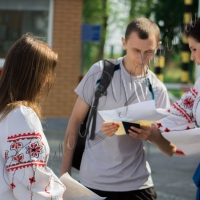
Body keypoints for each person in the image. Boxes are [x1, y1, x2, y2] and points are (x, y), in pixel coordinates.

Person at [60, 18, 176, 200]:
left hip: (138, 186)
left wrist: (153, 135)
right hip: (93, 183)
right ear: (124, 43)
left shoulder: (157, 89)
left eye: (149, 52)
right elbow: (74, 122)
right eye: (136, 50)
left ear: (158, 47)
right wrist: (64, 176)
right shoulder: (100, 72)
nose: (142, 58)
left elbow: (170, 149)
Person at [105, 17, 200, 200]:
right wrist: (129, 123)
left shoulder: (156, 87)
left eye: (194, 49)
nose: (192, 56)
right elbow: (177, 113)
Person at [0, 34, 66, 199]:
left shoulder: (6, 111)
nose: (47, 80)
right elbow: (29, 183)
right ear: (34, 75)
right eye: (47, 73)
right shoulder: (21, 115)